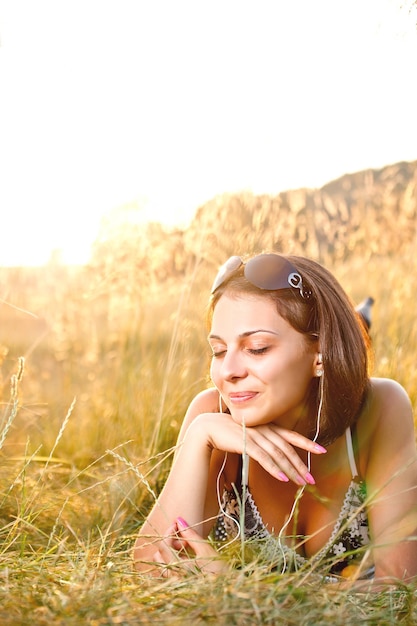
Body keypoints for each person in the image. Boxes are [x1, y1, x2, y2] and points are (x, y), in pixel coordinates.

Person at [133, 253, 417, 586]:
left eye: (256, 348)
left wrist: (240, 587)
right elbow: (150, 569)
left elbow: (399, 586)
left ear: (320, 354)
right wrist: (199, 435)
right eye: (219, 350)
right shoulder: (210, 415)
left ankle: (357, 322)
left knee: (354, 329)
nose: (228, 372)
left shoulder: (379, 407)